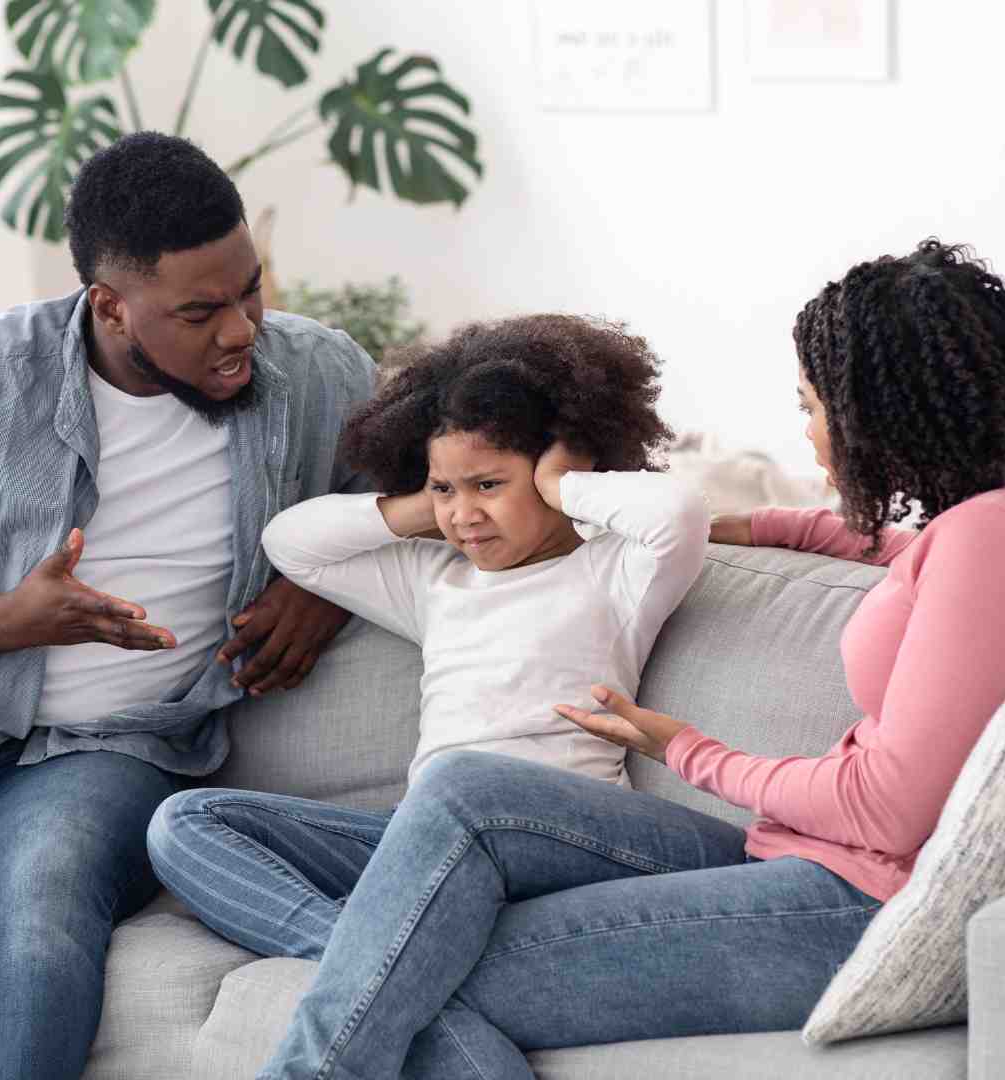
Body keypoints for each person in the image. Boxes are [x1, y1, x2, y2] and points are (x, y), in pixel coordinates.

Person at [237, 238, 1005, 1080]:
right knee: (433, 872)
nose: (809, 432)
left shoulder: (989, 538)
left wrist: (687, 749)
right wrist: (772, 525)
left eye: (811, 406)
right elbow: (904, 556)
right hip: (815, 879)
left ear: (879, 410)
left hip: (850, 906)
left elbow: (886, 809)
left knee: (418, 956)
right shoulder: (981, 528)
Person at [146, 313, 710, 1071]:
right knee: (186, 821)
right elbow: (290, 541)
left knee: (460, 784)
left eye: (490, 485)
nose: (464, 513)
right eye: (446, 488)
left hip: (555, 837)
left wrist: (562, 482)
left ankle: (390, 961)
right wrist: (424, 506)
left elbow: (678, 515)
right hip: (429, 845)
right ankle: (389, 958)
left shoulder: (613, 571)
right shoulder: (435, 578)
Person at [0, 132, 376, 1080]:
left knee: (42, 886)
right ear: (109, 305)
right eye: (200, 310)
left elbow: (430, 503)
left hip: (106, 757)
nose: (240, 330)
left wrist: (319, 587)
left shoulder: (319, 377)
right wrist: (14, 621)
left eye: (250, 290)